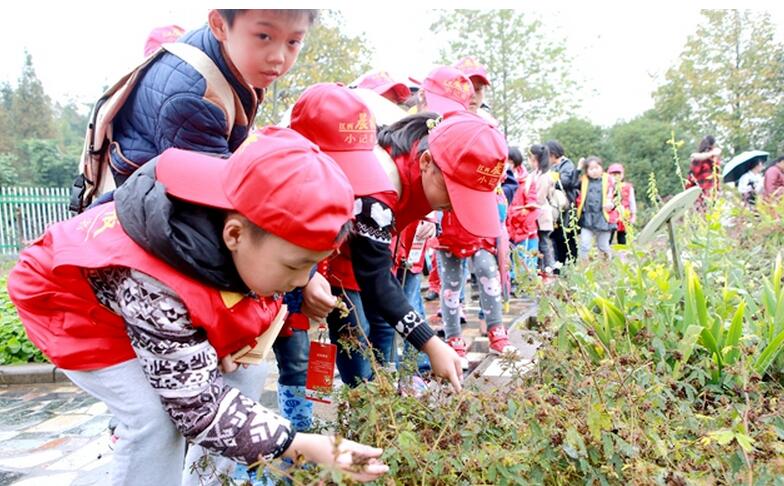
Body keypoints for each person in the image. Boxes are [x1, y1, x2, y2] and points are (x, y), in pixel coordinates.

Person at [7, 128, 389, 485]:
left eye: (312, 265)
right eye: (294, 266)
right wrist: (300, 447)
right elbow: (195, 406)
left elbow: (232, 302)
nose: (302, 280)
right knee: (153, 417)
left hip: (145, 307)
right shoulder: (155, 286)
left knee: (247, 376)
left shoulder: (252, 220)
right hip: (76, 308)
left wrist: (216, 346)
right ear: (234, 234)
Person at [292, 85, 507, 390]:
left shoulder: (416, 163)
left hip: (365, 260)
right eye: (455, 192)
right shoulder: (381, 188)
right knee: (348, 341)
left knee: (380, 333)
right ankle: (355, 407)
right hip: (329, 264)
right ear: (426, 162)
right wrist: (432, 344)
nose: (455, 207)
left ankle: (380, 396)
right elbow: (375, 279)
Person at [507, 147, 540, 283]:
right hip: (507, 224)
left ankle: (523, 282)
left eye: (509, 161)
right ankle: (512, 281)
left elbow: (531, 203)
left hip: (523, 225)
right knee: (509, 256)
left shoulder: (527, 180)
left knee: (524, 255)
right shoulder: (499, 180)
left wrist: (519, 216)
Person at [577, 156, 616, 260]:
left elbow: (616, 197)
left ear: (601, 168)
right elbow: (571, 183)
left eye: (596, 167)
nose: (594, 171)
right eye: (591, 169)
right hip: (587, 218)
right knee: (584, 245)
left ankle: (606, 268)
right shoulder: (582, 181)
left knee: (603, 246)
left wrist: (611, 203)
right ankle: (583, 268)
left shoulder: (609, 181)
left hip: (603, 218)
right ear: (587, 171)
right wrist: (578, 168)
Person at [686, 135, 722, 206]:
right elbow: (693, 175)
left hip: (706, 192)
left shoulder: (713, 159)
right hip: (702, 192)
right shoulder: (699, 158)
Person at [607, 163, 636, 244]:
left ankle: (622, 254)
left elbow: (632, 201)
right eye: (613, 174)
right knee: (608, 236)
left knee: (622, 236)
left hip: (624, 214)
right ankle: (606, 254)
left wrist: (633, 215)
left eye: (618, 174)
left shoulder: (628, 187)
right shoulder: (607, 187)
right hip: (611, 215)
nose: (616, 176)